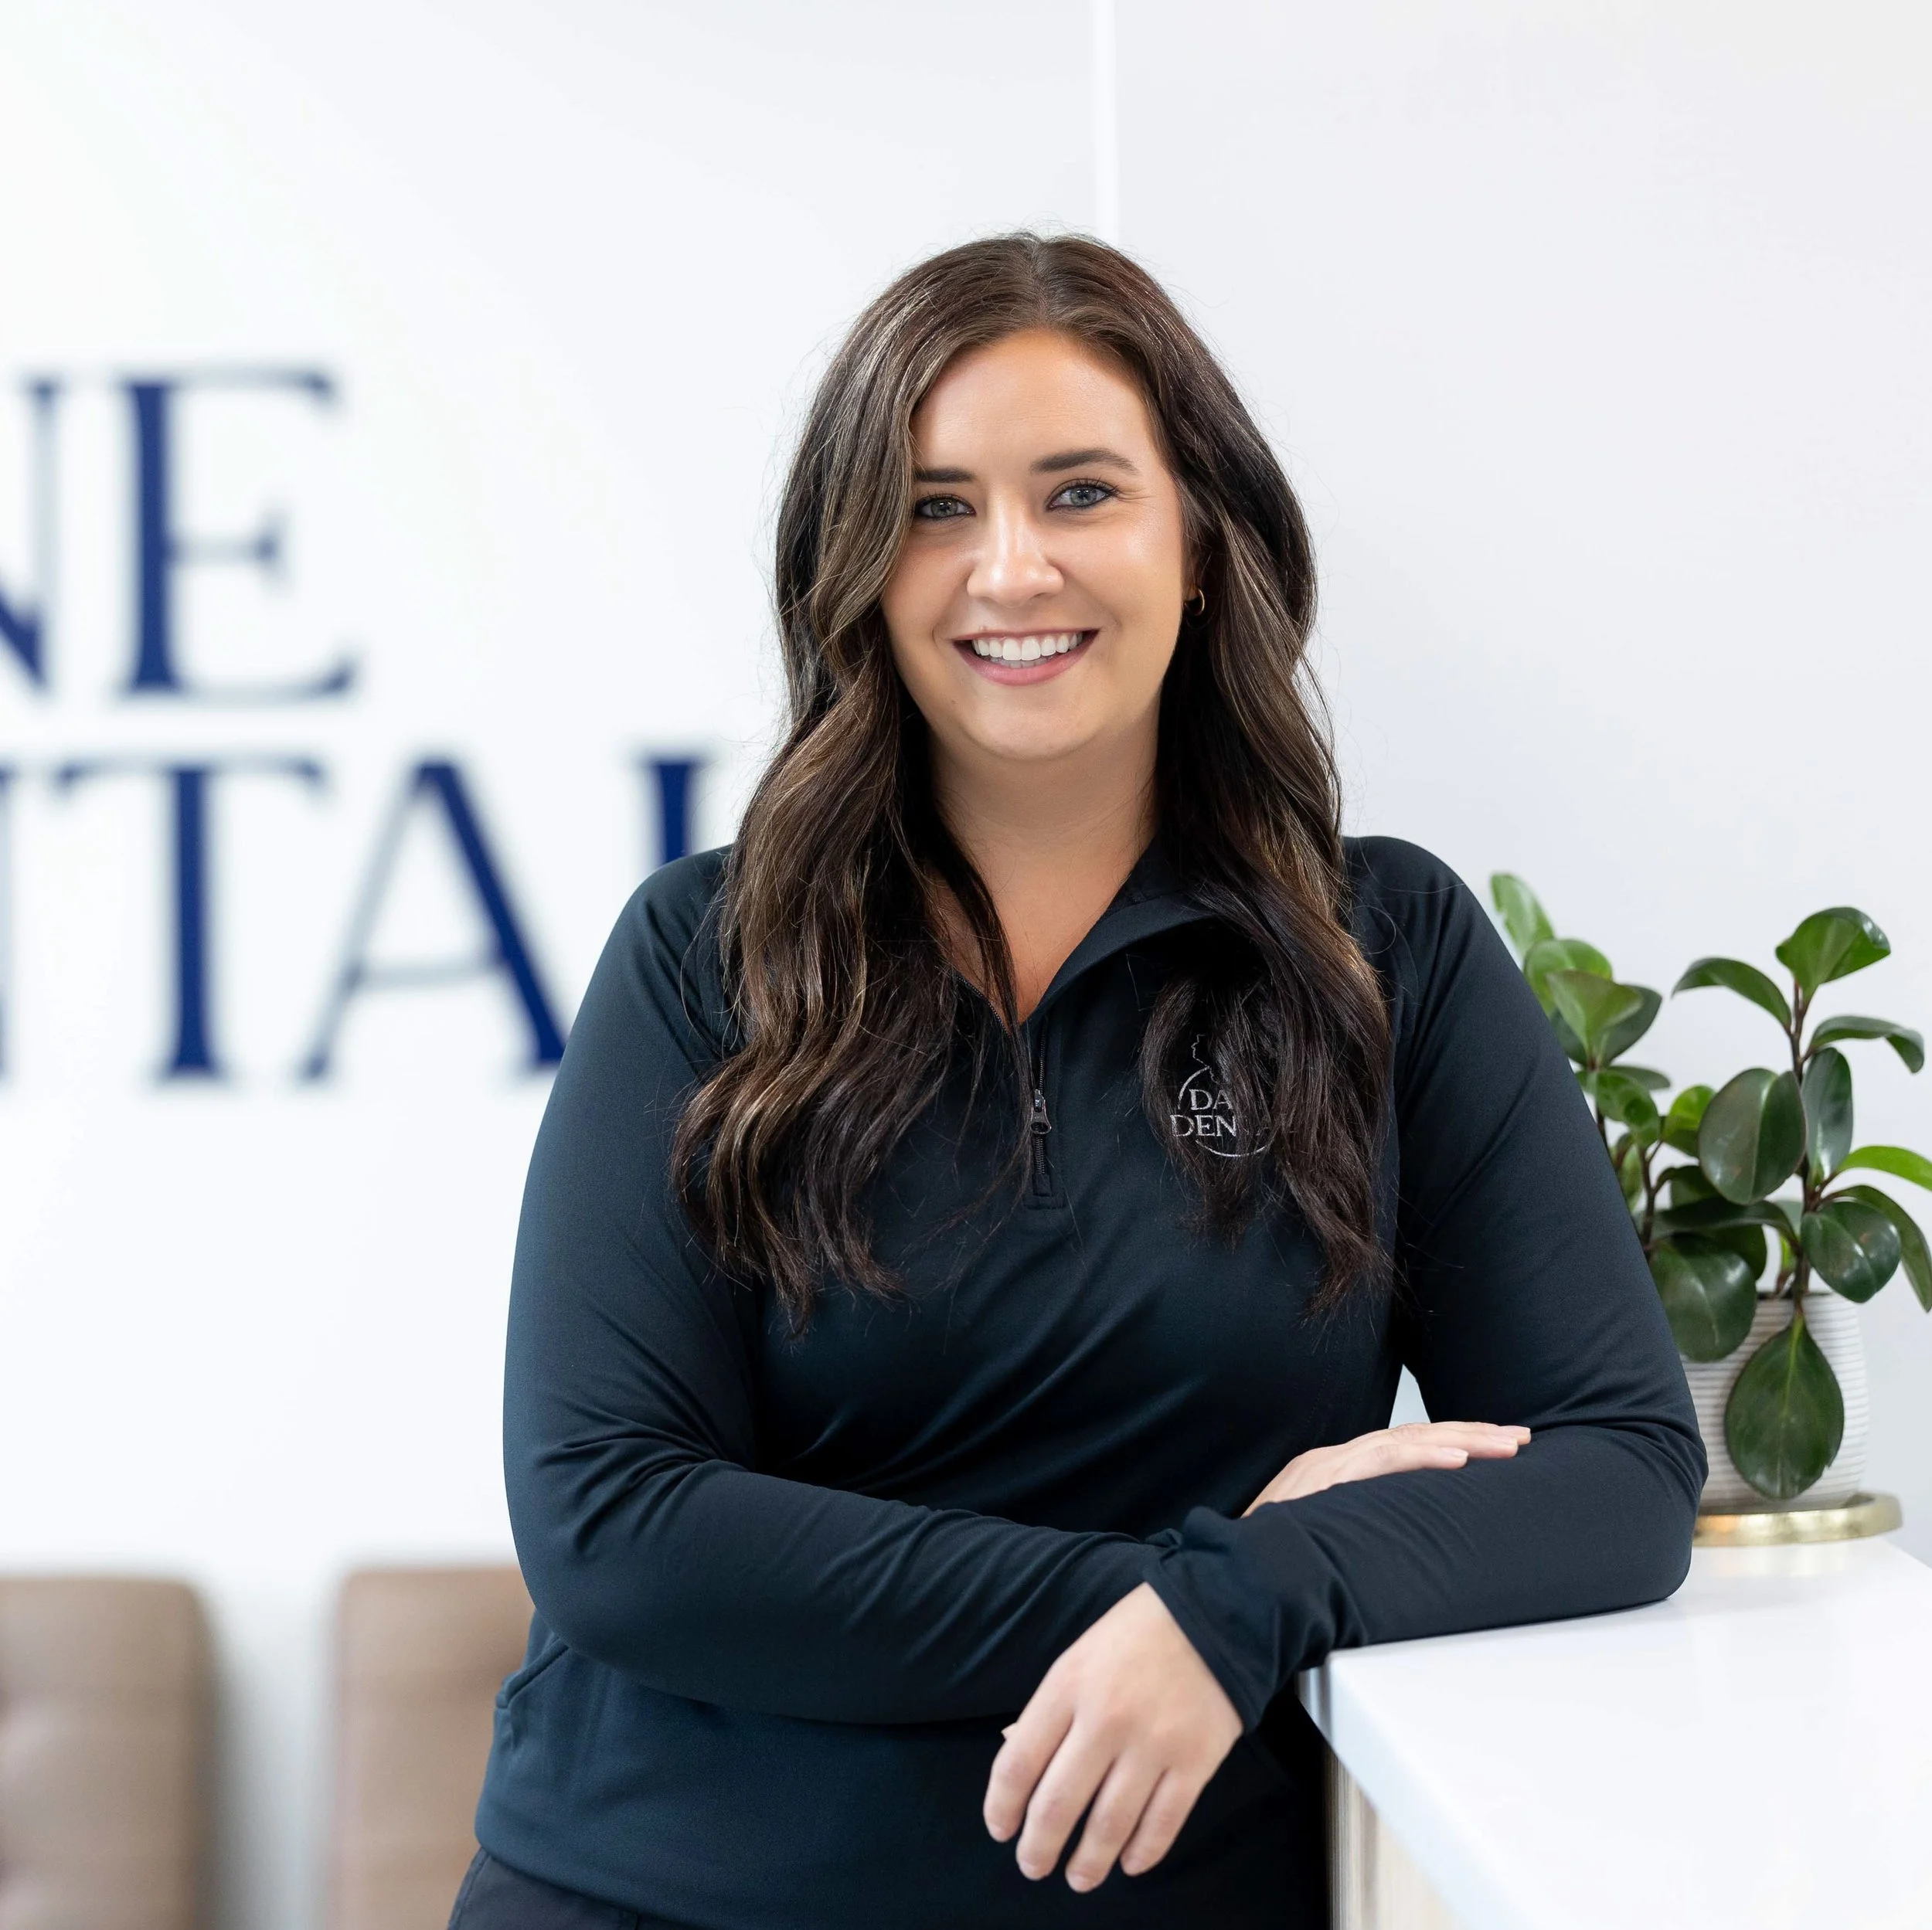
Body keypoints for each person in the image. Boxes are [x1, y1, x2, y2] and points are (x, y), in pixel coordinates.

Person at [454, 233, 1702, 1929]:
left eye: (1080, 491)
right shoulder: (708, 956)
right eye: (937, 506)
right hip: (658, 1889)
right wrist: (1187, 1599)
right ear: (858, 572)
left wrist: (1256, 1591)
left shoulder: (1377, 955)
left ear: (1199, 544)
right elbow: (613, 1517)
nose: (1009, 567)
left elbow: (1622, 1470)